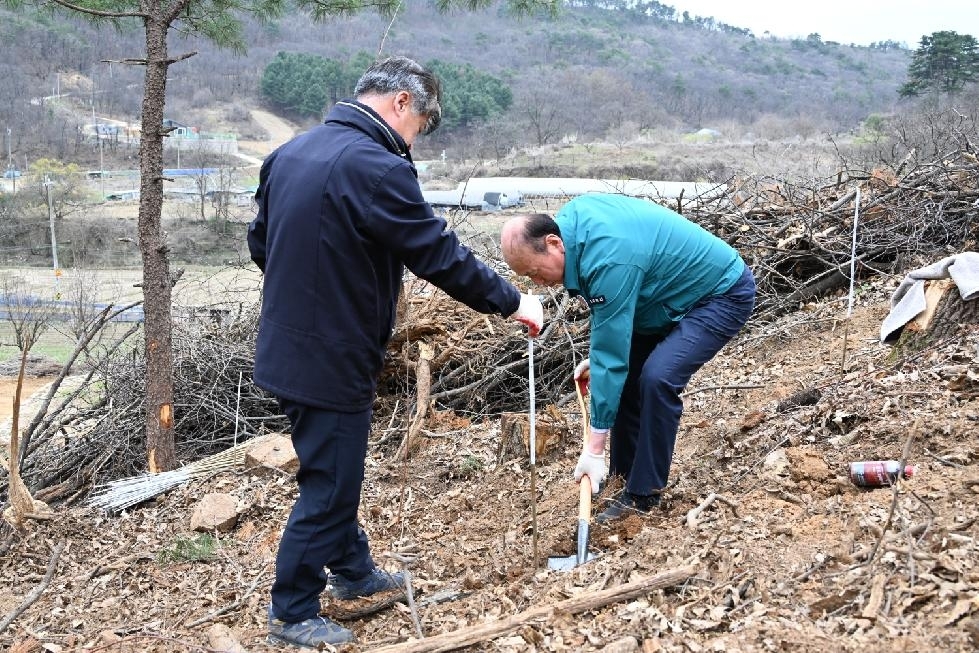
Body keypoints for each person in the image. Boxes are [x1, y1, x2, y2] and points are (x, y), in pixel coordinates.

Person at [247, 56, 543, 648]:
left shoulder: (290, 154)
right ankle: (293, 609)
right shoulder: (376, 168)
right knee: (329, 482)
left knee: (334, 467)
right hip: (331, 352)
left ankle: (353, 572)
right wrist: (512, 301)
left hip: (288, 343)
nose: (417, 138)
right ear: (403, 104)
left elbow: (262, 244)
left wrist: (311, 291)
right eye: (423, 123)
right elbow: (436, 253)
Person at [500, 193, 754, 523]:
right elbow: (612, 326)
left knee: (658, 378)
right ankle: (621, 477)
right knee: (623, 378)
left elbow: (612, 323)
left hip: (720, 293)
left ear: (552, 242)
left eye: (535, 271)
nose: (538, 282)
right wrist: (603, 363)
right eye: (527, 278)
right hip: (663, 299)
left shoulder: (607, 257)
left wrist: (592, 449)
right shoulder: (573, 227)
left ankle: (643, 495)